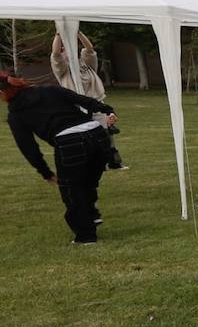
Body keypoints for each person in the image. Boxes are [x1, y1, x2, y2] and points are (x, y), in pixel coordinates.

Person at [3, 71, 117, 244]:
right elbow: (80, 99)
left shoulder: (16, 115)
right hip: (97, 136)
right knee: (87, 181)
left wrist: (45, 172)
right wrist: (107, 110)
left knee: (71, 189)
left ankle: (86, 236)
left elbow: (29, 148)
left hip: (69, 142)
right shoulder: (49, 90)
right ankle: (91, 215)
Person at [52, 31, 126, 169]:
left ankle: (114, 162)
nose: (69, 52)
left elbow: (90, 48)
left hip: (96, 104)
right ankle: (90, 163)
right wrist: (59, 34)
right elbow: (55, 54)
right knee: (83, 136)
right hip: (76, 108)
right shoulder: (62, 69)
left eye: (72, 49)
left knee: (105, 135)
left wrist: (77, 32)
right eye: (65, 50)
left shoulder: (87, 64)